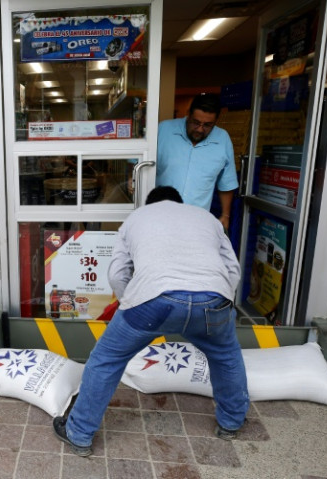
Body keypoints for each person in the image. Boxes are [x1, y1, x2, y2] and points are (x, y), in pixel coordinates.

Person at [52, 186, 249, 457]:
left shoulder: (137, 218)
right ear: (180, 203)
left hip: (152, 302)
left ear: (149, 204)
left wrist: (130, 303)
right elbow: (232, 269)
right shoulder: (207, 218)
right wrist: (221, 299)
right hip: (213, 300)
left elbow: (118, 273)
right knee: (226, 356)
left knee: (106, 360)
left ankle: (79, 433)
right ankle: (231, 423)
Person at [156, 93, 238, 230]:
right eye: (196, 122)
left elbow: (226, 183)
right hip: (158, 217)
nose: (200, 129)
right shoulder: (164, 130)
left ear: (216, 121)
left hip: (196, 223)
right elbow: (141, 162)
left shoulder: (222, 139)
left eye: (207, 125)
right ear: (188, 114)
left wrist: (225, 215)